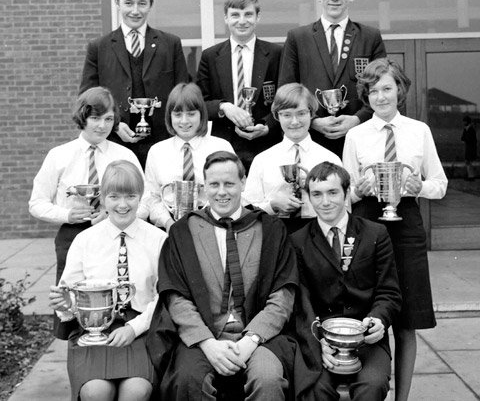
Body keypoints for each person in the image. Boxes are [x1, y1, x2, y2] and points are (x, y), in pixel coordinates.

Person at [147, 151, 299, 401]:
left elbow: (283, 295)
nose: (221, 192)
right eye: (214, 184)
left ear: (243, 182)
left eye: (229, 184)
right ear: (204, 187)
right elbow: (175, 297)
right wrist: (207, 342)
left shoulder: (271, 229)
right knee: (188, 380)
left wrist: (251, 340)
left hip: (258, 337)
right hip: (204, 337)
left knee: (269, 379)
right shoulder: (183, 232)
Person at [342, 58, 447, 401]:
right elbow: (345, 194)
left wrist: (419, 188)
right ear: (366, 96)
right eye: (373, 91)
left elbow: (440, 184)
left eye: (387, 88)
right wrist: (361, 188)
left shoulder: (419, 131)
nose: (381, 97)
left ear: (399, 91)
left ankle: (402, 399)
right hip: (368, 225)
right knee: (369, 314)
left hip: (407, 226)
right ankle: (370, 390)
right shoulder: (355, 135)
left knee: (406, 320)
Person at [48, 160, 167, 401]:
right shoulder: (84, 240)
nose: (123, 205)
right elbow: (71, 294)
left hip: (142, 327)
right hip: (92, 329)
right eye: (114, 197)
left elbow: (165, 296)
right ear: (102, 198)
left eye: (131, 196)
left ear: (141, 197)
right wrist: (65, 304)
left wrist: (134, 329)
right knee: (96, 392)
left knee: (136, 391)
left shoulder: (159, 240)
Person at [291, 161, 401, 401]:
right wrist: (316, 341)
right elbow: (302, 300)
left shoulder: (375, 234)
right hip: (321, 340)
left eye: (333, 193)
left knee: (372, 386)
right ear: (308, 197)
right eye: (317, 195)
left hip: (367, 338)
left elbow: (389, 292)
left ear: (346, 192)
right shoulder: (297, 242)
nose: (325, 202)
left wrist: (379, 319)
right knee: (314, 389)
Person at [29, 86, 143, 286]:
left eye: (108, 119)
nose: (102, 126)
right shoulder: (59, 155)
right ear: (83, 117)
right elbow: (37, 203)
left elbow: (146, 199)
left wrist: (112, 214)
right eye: (95, 118)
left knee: (113, 292)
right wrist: (66, 214)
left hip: (115, 232)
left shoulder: (125, 155)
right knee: (68, 293)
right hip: (72, 233)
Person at [79, 0, 189, 168]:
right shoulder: (98, 47)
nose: (135, 11)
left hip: (163, 143)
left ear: (150, 4)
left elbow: (183, 95)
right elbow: (87, 99)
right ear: (117, 2)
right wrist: (114, 124)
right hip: (114, 141)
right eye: (128, 3)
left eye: (142, 3)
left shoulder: (171, 44)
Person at [278, 0, 386, 157]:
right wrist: (313, 120)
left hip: (360, 138)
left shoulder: (370, 37)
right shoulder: (297, 37)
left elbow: (382, 88)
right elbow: (286, 91)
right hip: (311, 139)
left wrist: (357, 119)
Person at [196, 0, 282, 171]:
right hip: (224, 144)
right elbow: (199, 102)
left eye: (248, 14)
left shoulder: (276, 54)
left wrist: (267, 125)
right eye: (235, 15)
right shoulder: (210, 56)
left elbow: (283, 99)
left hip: (265, 143)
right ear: (226, 18)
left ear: (258, 17)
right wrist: (223, 107)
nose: (242, 21)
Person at [244, 83, 342, 234]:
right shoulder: (262, 160)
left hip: (319, 234)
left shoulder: (330, 159)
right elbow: (248, 209)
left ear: (311, 113)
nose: (295, 122)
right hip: (275, 233)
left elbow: (343, 208)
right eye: (287, 115)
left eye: (301, 113)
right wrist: (273, 205)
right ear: (277, 116)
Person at [140, 82, 235, 232]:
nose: (184, 121)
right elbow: (153, 197)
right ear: (169, 115)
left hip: (216, 225)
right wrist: (168, 223)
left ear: (202, 115)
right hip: (170, 227)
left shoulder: (221, 147)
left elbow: (234, 191)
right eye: (177, 114)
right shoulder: (157, 151)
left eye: (191, 114)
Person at [461, 115, 477, 181]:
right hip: (468, 147)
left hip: (471, 147)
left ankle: (471, 176)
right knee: (468, 161)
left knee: (469, 161)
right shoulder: (467, 129)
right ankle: (470, 175)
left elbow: (469, 139)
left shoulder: (470, 129)